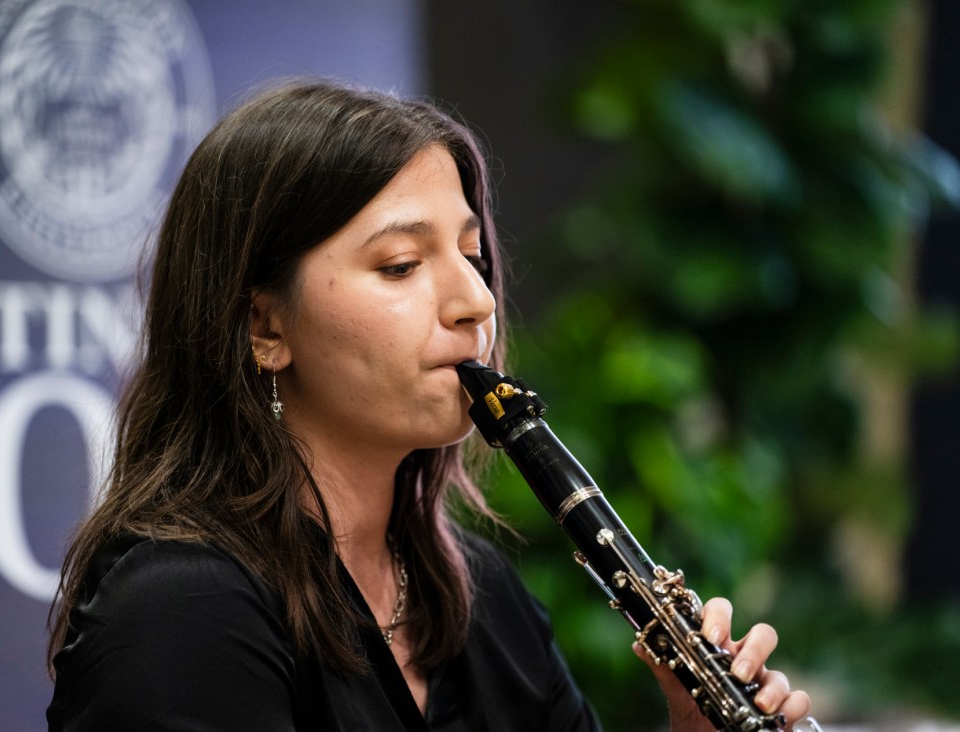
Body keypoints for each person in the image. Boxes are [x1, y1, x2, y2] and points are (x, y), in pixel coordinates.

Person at [46, 79, 814, 731]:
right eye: (403, 264)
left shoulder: (479, 595)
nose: (476, 301)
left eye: (474, 257)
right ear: (265, 326)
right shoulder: (180, 614)